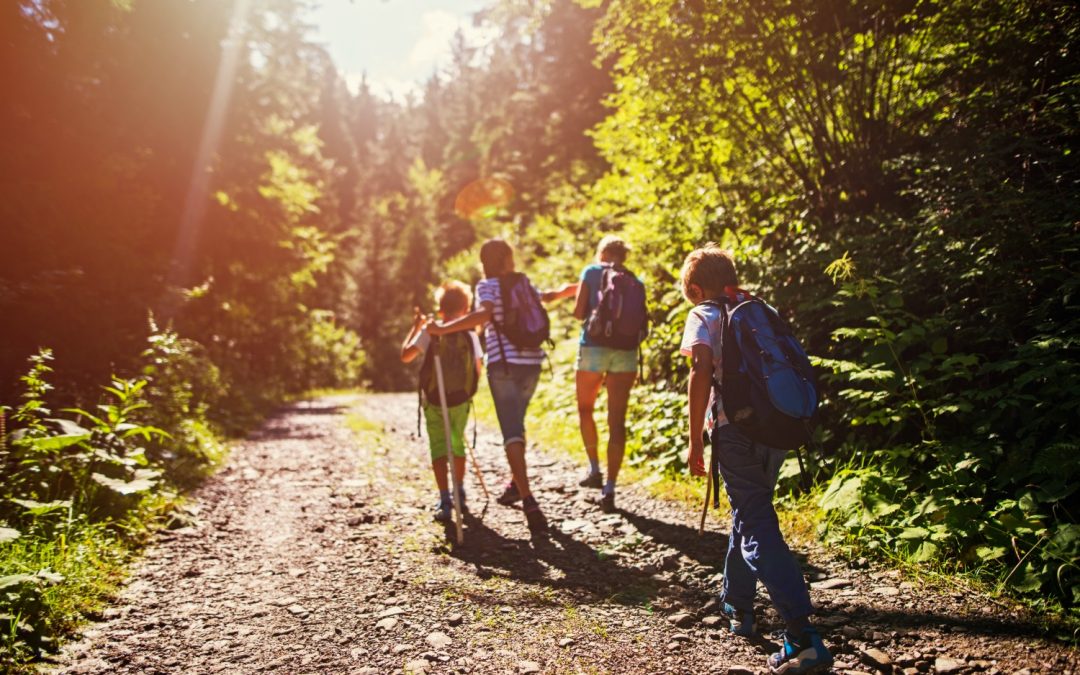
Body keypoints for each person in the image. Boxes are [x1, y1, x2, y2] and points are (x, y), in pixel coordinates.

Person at [680, 244, 832, 674]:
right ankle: (739, 606)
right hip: (777, 426)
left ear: (694, 288)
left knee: (757, 521)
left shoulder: (703, 314)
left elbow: (701, 371)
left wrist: (695, 440)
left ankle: (804, 638)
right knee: (750, 511)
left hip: (735, 431)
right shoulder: (756, 307)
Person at [427, 239, 576, 533]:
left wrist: (443, 329)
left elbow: (484, 315)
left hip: (504, 365)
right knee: (517, 426)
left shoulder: (488, 286)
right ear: (508, 258)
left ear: (485, 263)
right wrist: (572, 289)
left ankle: (528, 499)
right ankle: (515, 483)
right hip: (533, 362)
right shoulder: (522, 283)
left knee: (511, 432)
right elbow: (546, 296)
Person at [400, 281, 483, 523]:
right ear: (466, 307)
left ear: (440, 307)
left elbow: (406, 356)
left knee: (438, 445)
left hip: (435, 400)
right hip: (460, 399)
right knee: (457, 443)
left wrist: (416, 327)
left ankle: (444, 498)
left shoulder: (430, 330)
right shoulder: (469, 333)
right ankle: (460, 491)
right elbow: (478, 367)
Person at [572, 235, 642, 512]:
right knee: (617, 420)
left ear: (601, 252)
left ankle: (594, 469)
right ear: (624, 256)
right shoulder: (634, 279)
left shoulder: (591, 272)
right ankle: (610, 488)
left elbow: (579, 313)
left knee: (585, 409)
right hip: (626, 353)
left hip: (593, 349)